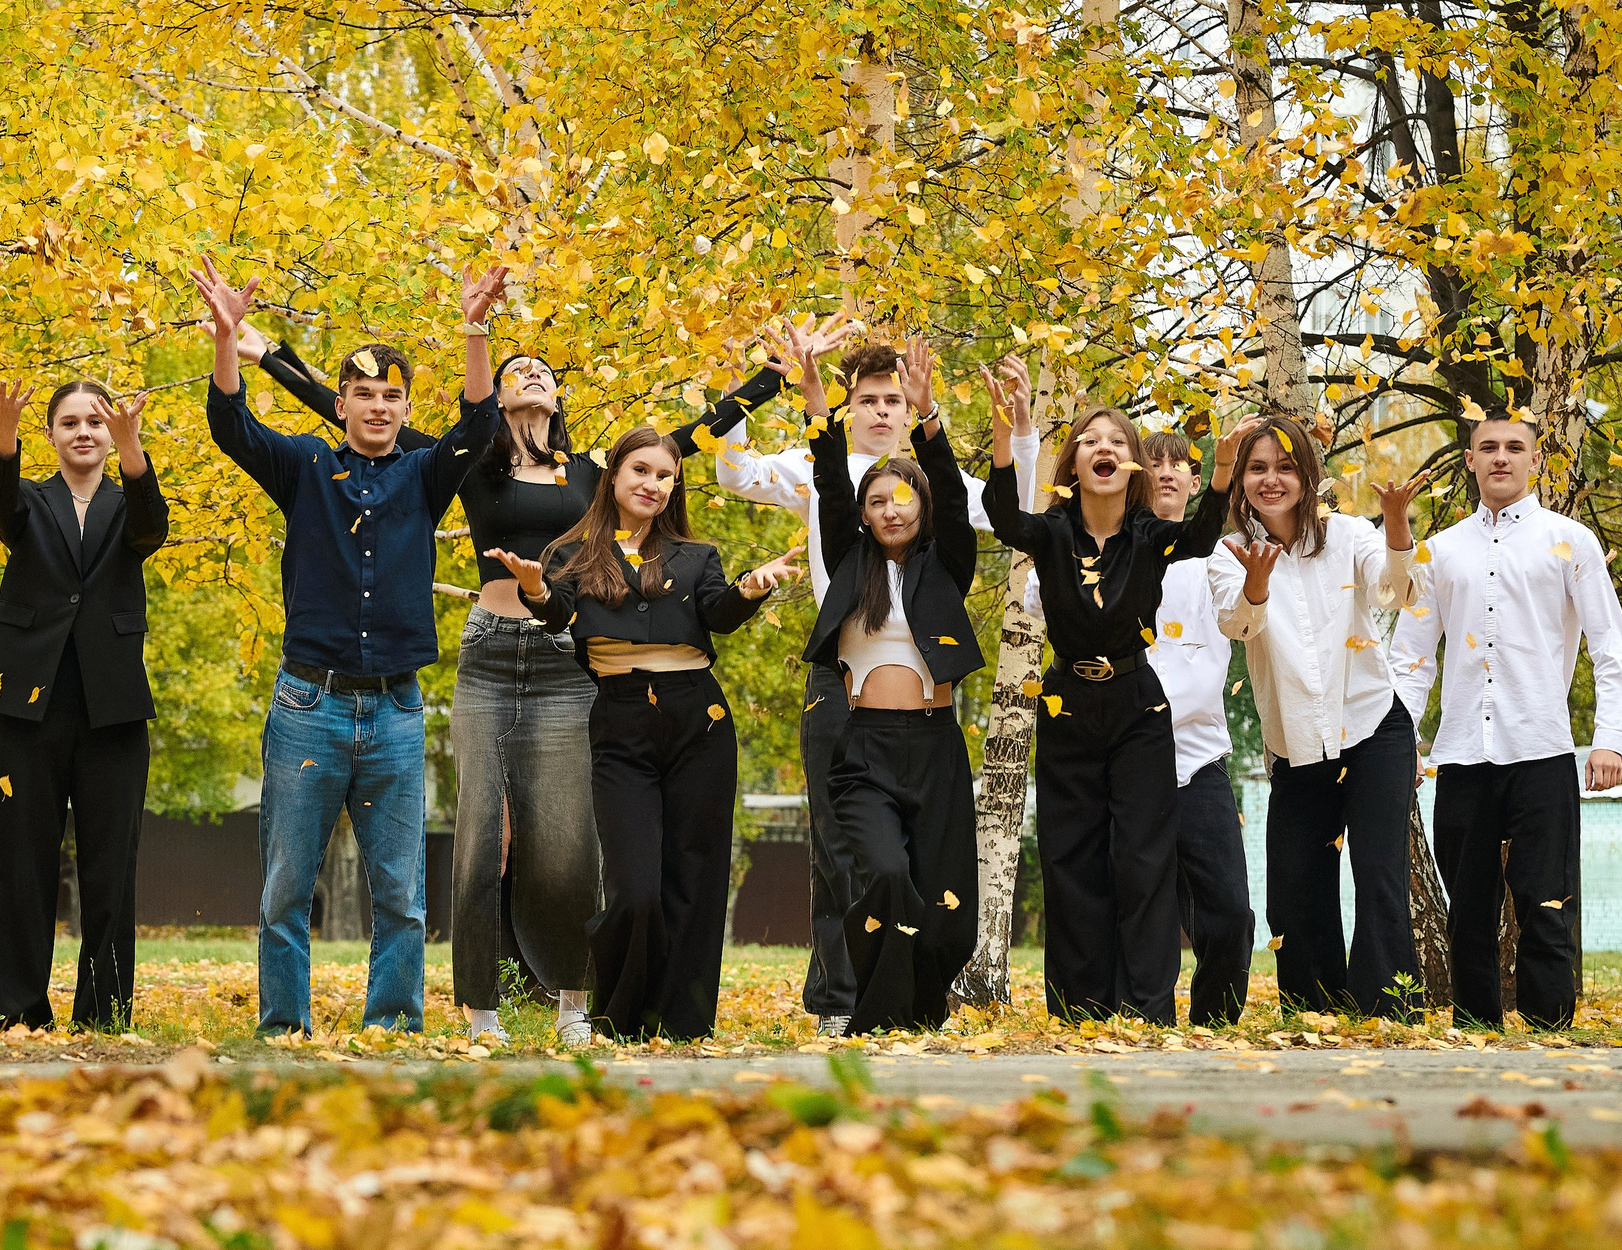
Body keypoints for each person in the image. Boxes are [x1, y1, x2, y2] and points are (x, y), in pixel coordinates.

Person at [236, 329, 775, 1049]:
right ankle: (480, 1012)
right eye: (515, 368)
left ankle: (574, 1005)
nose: (528, 375)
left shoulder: (591, 470)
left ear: (559, 399)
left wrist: (768, 377)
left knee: (568, 839)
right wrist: (264, 352)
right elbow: (360, 412)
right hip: (490, 651)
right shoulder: (471, 461)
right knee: (480, 839)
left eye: (541, 371)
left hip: (564, 656)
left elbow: (690, 437)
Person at [193, 255, 508, 1036]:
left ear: (405, 408)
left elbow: (476, 427)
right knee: (285, 888)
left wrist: (475, 327)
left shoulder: (427, 476)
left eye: (391, 396)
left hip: (397, 708)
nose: (377, 407)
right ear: (341, 404)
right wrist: (230, 340)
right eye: (363, 395)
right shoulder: (304, 465)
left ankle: (393, 1026)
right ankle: (283, 1028)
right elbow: (232, 427)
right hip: (309, 704)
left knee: (401, 891)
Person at [707, 323, 1042, 1035]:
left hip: (926, 716)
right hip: (843, 690)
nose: (883, 409)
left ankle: (908, 991)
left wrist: (998, 429)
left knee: (921, 869)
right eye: (870, 398)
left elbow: (1006, 511)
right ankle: (839, 1002)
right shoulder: (818, 473)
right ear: (848, 407)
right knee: (843, 855)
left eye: (896, 397)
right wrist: (779, 384)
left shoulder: (933, 495)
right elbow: (733, 471)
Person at [486, 430, 802, 1041]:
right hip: (621, 717)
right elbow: (555, 611)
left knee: (696, 875)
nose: (652, 484)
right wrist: (531, 588)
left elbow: (717, 614)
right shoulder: (571, 554)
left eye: (664, 475)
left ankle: (684, 1023)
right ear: (613, 476)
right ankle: (621, 1018)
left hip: (698, 718)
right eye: (640, 470)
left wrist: (749, 588)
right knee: (634, 886)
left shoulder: (695, 556)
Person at [984, 367, 1254, 1024]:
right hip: (1069, 707)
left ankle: (1149, 1011)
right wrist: (1005, 436)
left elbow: (1197, 539)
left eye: (1116, 440)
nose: (1104, 447)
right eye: (1089, 440)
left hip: (1141, 709)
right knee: (1073, 861)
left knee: (1144, 866)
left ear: (1126, 465)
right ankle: (1080, 1012)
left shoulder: (1152, 539)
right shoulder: (1051, 536)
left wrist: (1220, 473)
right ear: (1075, 461)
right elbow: (1002, 519)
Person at [1389, 414, 1622, 1030]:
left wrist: (1609, 741)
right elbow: (1411, 657)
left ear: (1534, 460)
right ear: (1470, 460)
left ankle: (1551, 1025)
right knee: (1468, 902)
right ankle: (1477, 1025)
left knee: (1544, 898)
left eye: (1514, 448)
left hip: (1542, 747)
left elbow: (1611, 647)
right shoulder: (1439, 551)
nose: (1501, 458)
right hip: (1464, 752)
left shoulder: (1569, 542)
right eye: (1488, 448)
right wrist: (1401, 744)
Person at [790, 335, 982, 1033]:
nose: (892, 510)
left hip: (935, 747)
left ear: (920, 507)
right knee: (882, 876)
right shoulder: (850, 565)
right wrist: (819, 414)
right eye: (878, 502)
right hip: (865, 747)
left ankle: (920, 1014)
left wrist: (929, 419)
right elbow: (829, 484)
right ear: (865, 515)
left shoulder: (946, 565)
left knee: (943, 901)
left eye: (904, 500)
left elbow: (957, 501)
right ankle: (864, 1014)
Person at [1210, 417, 1428, 1020]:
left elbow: (1395, 592)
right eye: (1257, 469)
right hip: (1296, 742)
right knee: (1297, 885)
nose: (1271, 480)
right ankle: (1314, 1014)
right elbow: (1237, 625)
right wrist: (1257, 584)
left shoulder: (1349, 534)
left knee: (1380, 873)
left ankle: (1387, 1012)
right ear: (1241, 482)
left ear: (1308, 476)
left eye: (1284, 468)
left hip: (1371, 726)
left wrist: (1398, 527)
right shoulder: (1229, 553)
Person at [0, 375, 167, 1035]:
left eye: (96, 421)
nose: (84, 431)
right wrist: (3, 435)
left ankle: (102, 1014)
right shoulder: (29, 500)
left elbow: (150, 528)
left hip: (112, 708)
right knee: (16, 863)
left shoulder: (127, 499)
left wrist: (135, 446)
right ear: (50, 435)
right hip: (28, 705)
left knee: (111, 869)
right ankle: (12, 1010)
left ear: (111, 435)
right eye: (69, 422)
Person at [1138, 430, 1255, 1027]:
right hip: (1129, 758)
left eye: (1177, 465)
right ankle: (1143, 1023)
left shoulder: (1222, 556)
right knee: (1144, 913)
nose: (1165, 473)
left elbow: (1243, 619)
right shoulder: (1114, 549)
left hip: (1201, 757)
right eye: (1152, 463)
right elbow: (1036, 595)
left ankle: (1214, 1024)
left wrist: (1256, 588)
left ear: (1194, 479)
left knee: (1230, 911)